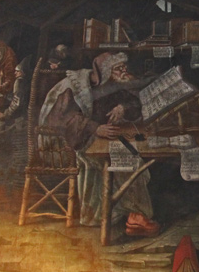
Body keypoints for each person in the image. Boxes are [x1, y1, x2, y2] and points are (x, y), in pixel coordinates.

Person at [38, 52, 160, 237]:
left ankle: (129, 214)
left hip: (99, 139)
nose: (124, 72)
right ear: (104, 70)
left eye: (124, 67)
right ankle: (135, 215)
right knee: (124, 161)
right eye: (118, 69)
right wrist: (94, 128)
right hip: (70, 144)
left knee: (130, 156)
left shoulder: (110, 83)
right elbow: (58, 120)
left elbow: (133, 100)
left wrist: (122, 108)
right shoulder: (74, 86)